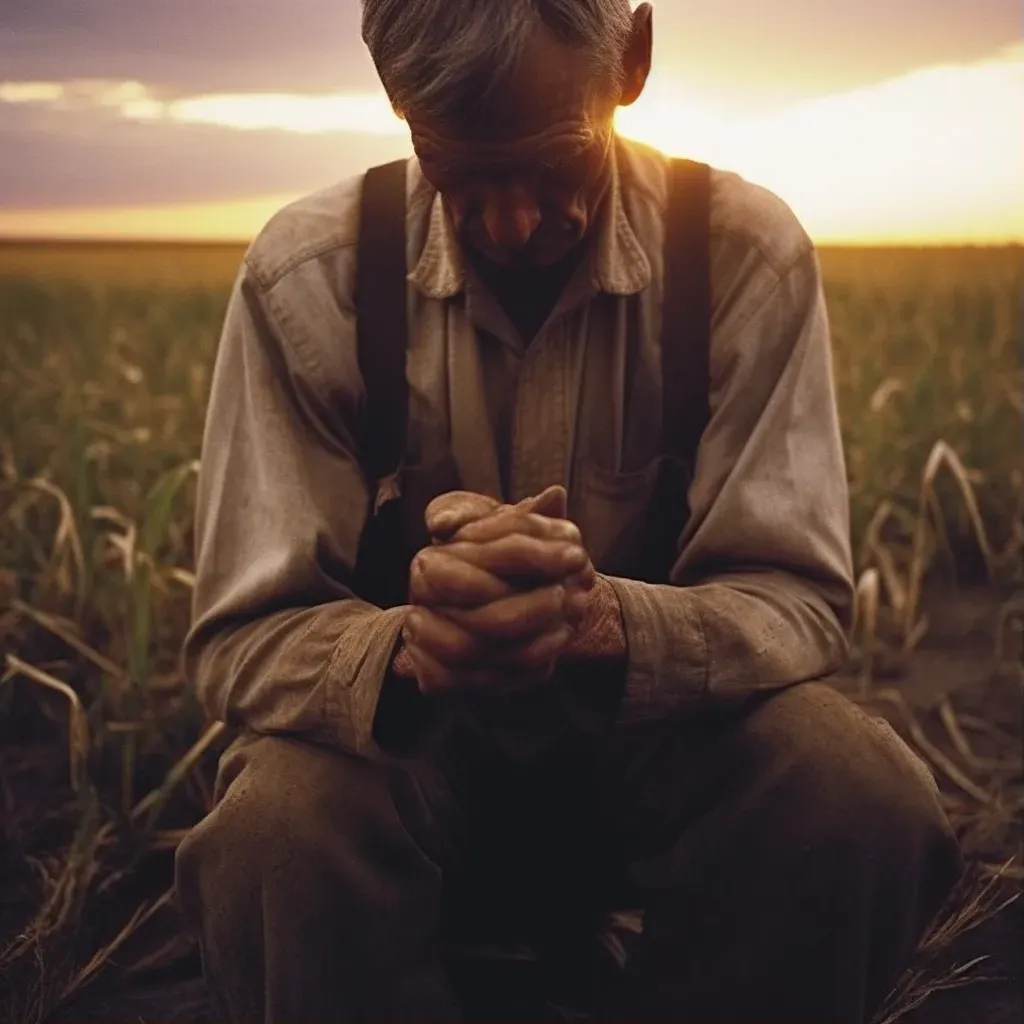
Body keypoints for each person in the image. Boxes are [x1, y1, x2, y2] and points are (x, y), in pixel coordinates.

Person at [174, 1, 963, 1021]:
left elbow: (794, 597)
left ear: (630, 60)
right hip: (407, 775)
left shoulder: (743, 256)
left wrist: (609, 625)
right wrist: (410, 649)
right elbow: (242, 633)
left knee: (857, 798)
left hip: (661, 753)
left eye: (556, 162)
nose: (508, 222)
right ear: (393, 96)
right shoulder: (307, 277)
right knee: (276, 827)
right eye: (456, 166)